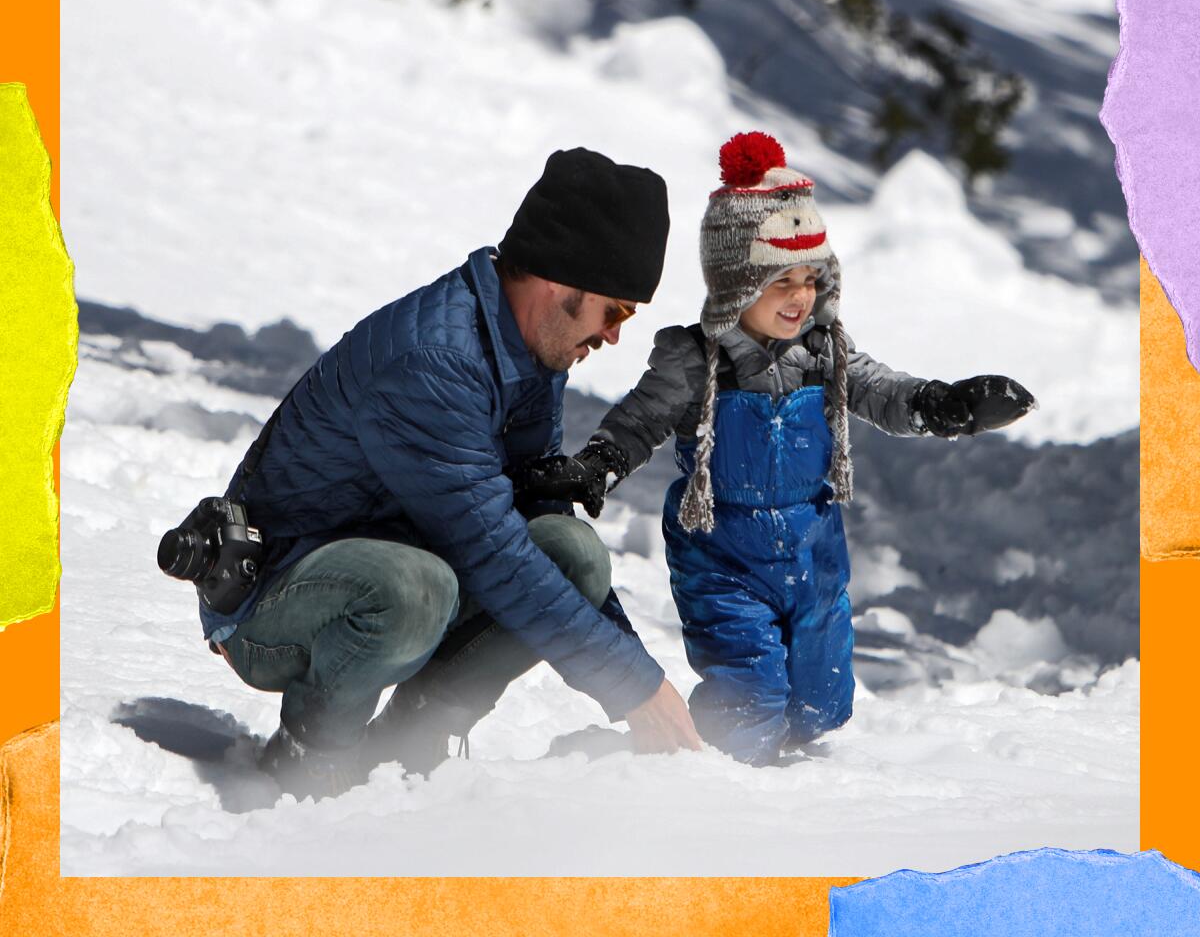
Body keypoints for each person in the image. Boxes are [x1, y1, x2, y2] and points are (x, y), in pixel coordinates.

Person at [518, 132, 1036, 767]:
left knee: (823, 703)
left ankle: (788, 787)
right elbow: (638, 421)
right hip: (723, 556)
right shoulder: (695, 362)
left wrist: (944, 404)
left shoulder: (827, 355)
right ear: (737, 283)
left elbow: (883, 392)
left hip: (813, 552)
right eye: (779, 280)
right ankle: (678, 769)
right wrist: (598, 464)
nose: (800, 296)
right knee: (750, 700)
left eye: (810, 278)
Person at [200, 147, 701, 799]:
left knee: (573, 557)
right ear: (560, 282)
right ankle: (308, 759)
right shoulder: (434, 361)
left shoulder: (530, 355)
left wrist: (640, 676)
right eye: (617, 311)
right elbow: (493, 555)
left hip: (391, 564)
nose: (613, 336)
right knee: (418, 589)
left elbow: (539, 521)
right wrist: (636, 688)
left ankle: (410, 741)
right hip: (270, 604)